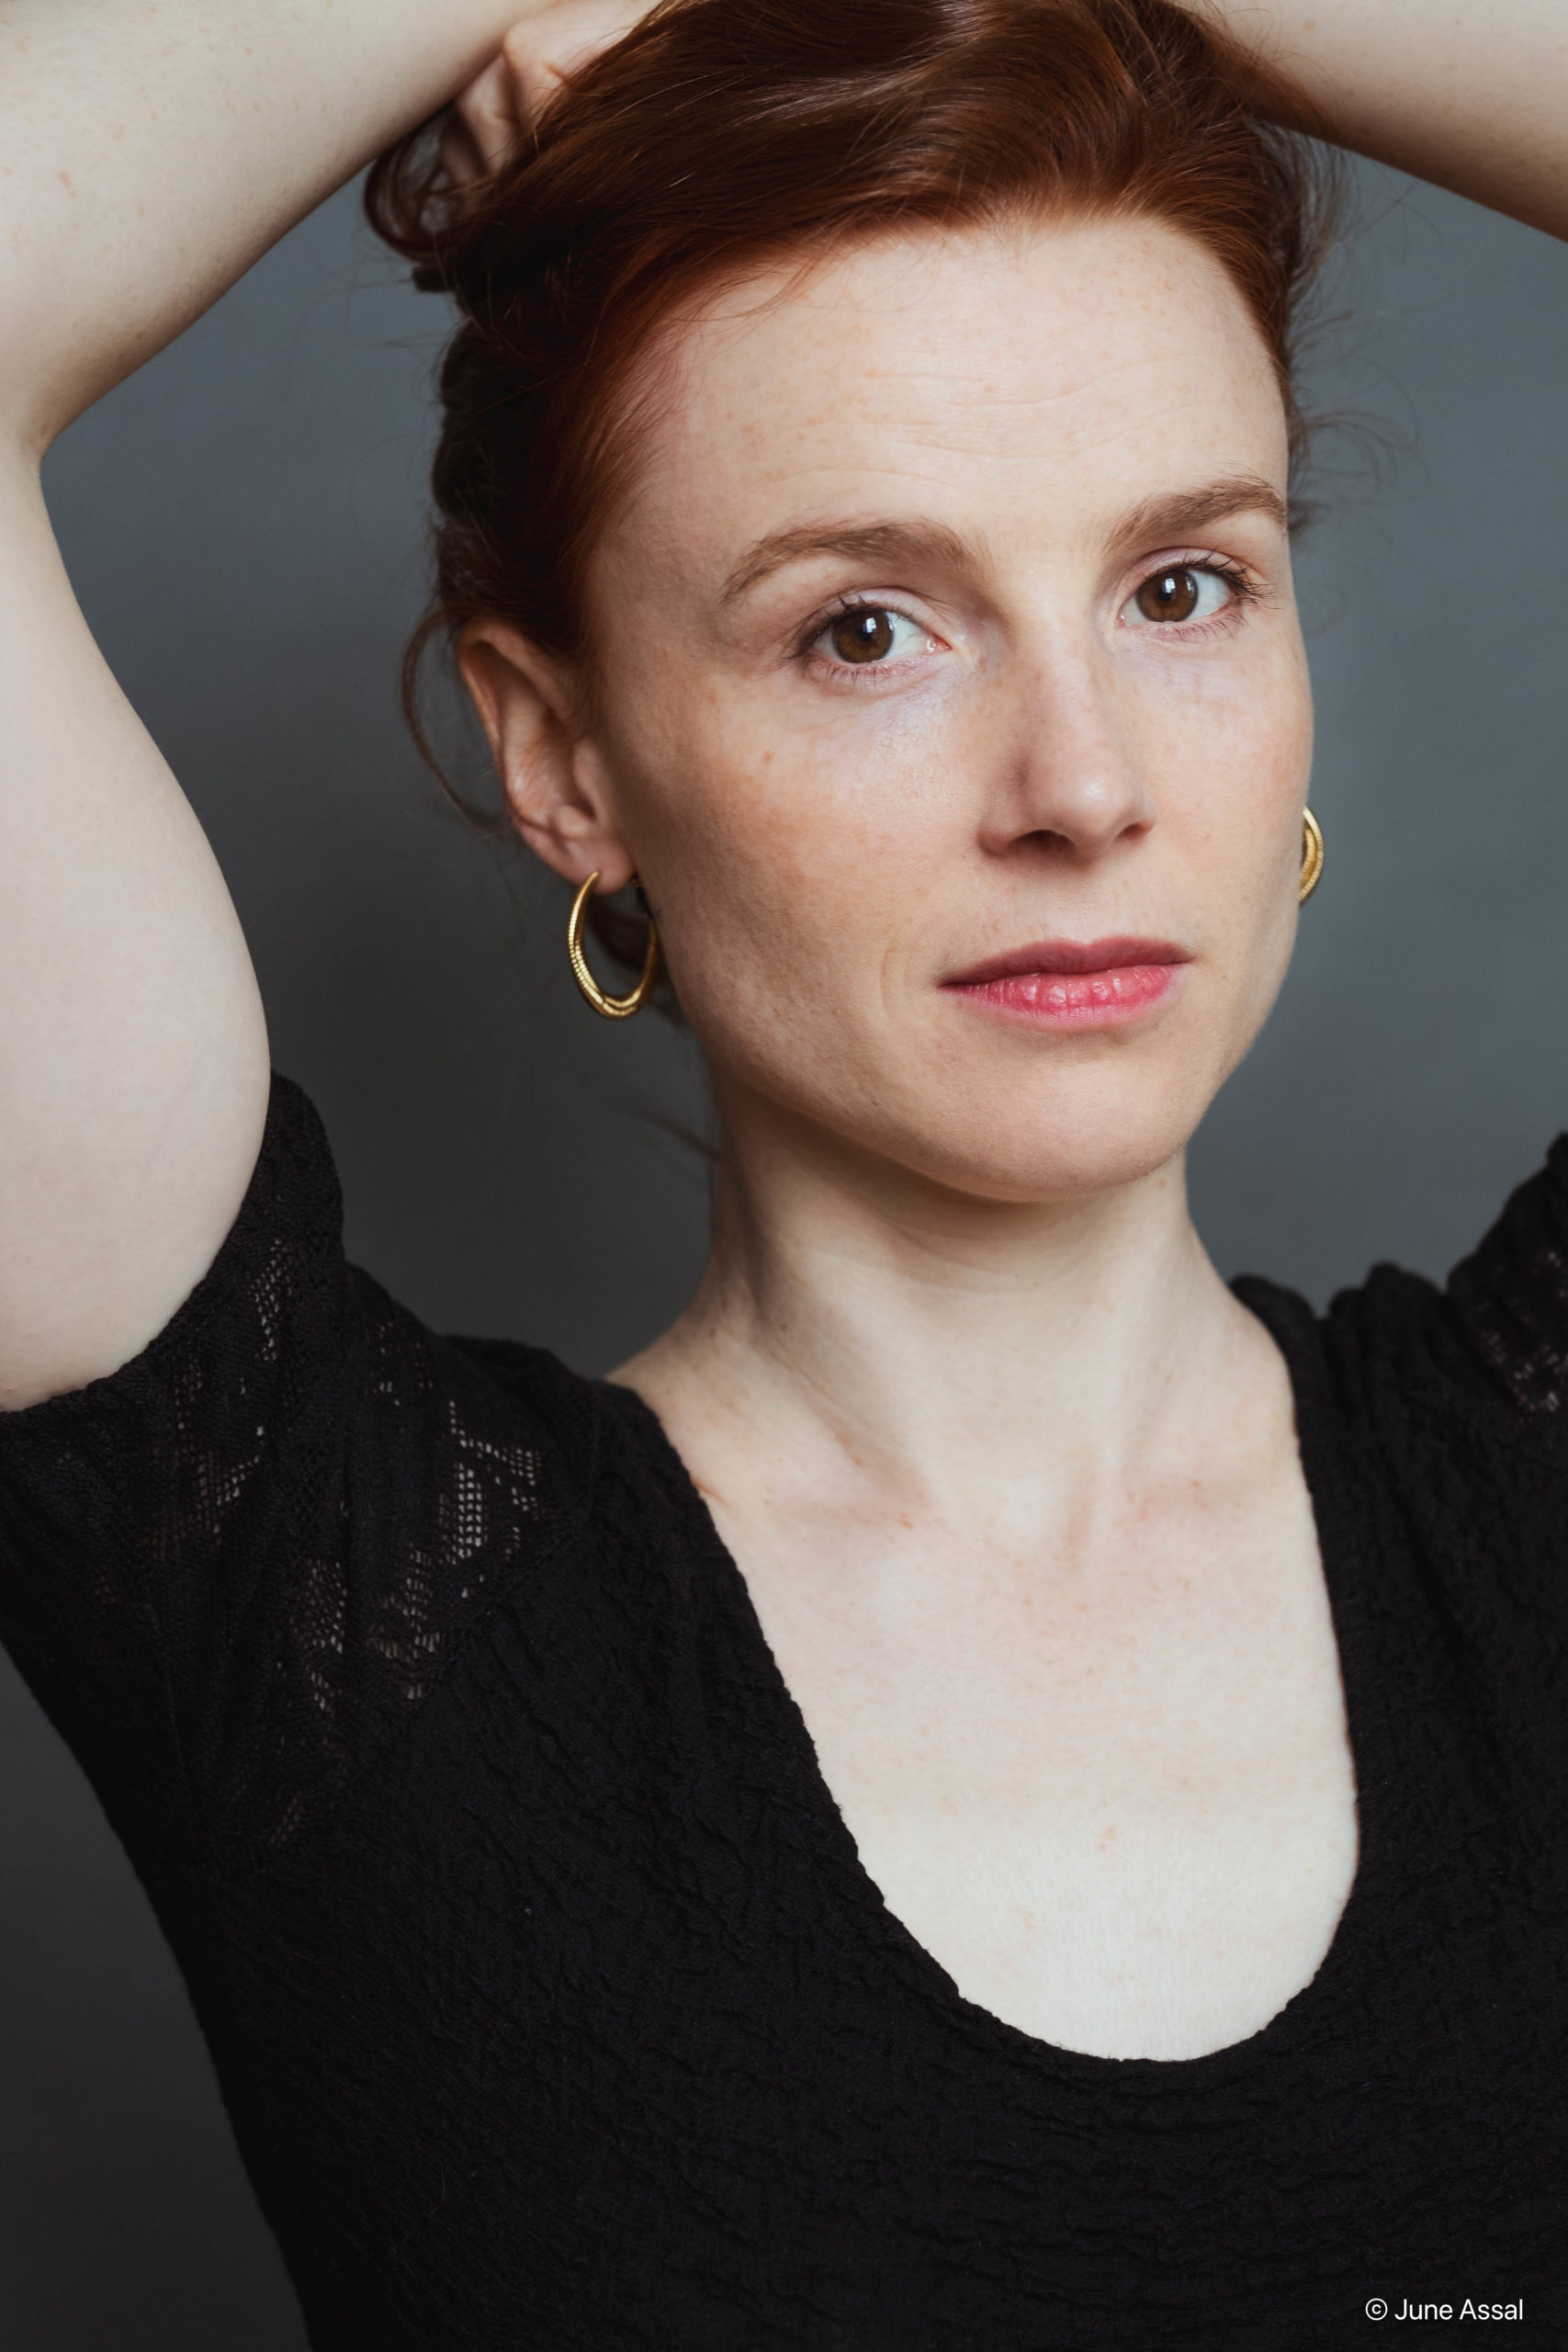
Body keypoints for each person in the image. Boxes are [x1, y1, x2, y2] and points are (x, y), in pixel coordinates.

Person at [0, 0, 1562, 2340]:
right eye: (865, 627)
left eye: (1178, 586)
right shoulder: (321, 1603)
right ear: (565, 760)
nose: (1084, 785)